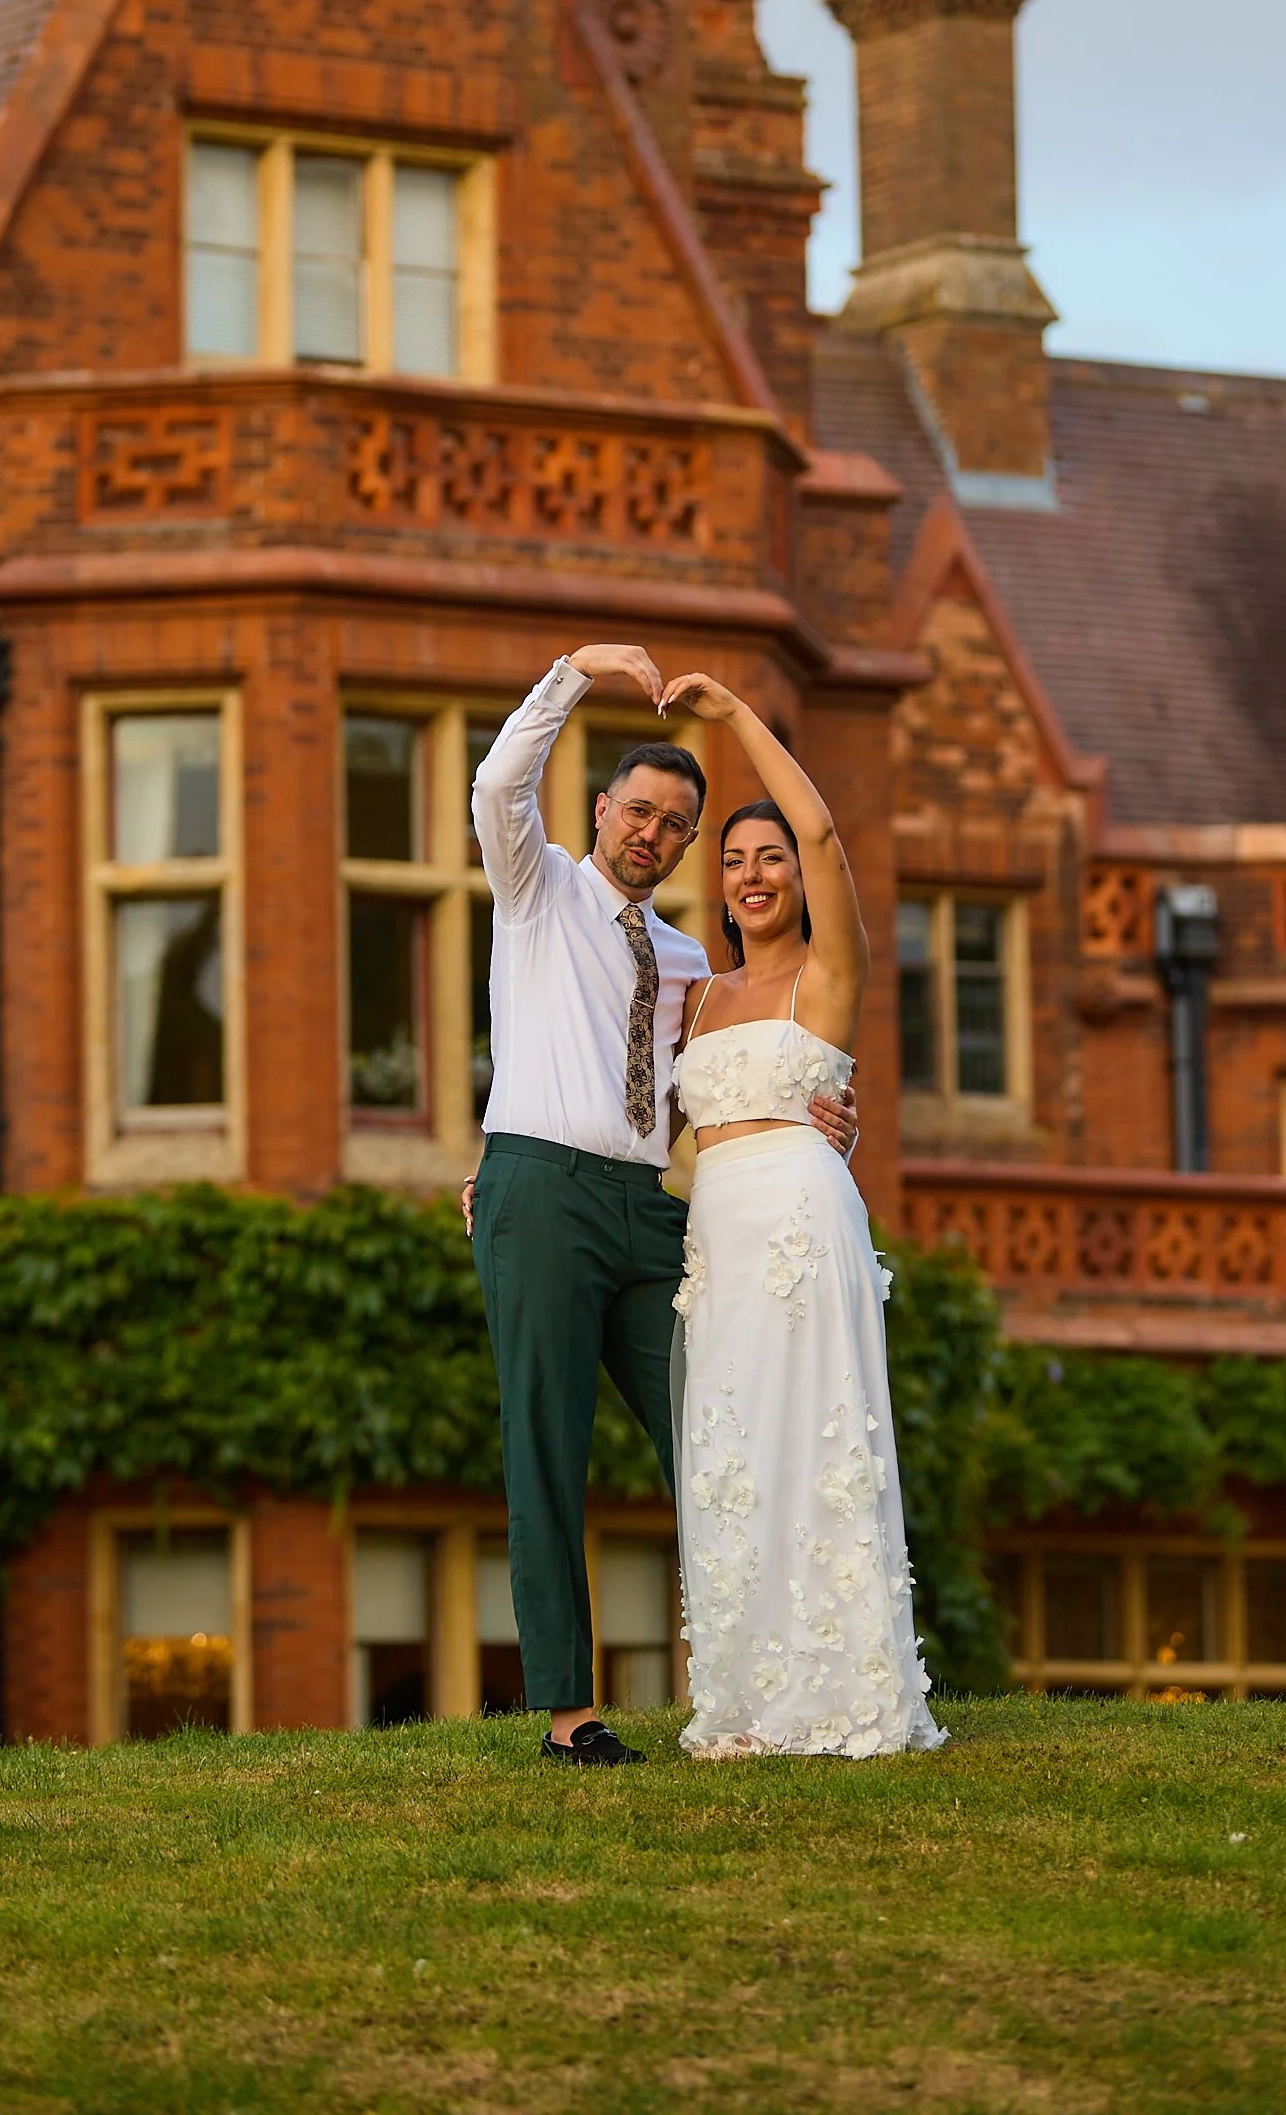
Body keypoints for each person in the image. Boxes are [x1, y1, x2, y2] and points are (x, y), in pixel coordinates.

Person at [466, 646, 858, 1767]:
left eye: (673, 824)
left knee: (715, 1433)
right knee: (545, 1443)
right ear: (599, 812)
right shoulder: (534, 887)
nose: (651, 833)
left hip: (649, 1208)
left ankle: (768, 1676)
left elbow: (731, 1084)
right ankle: (566, 1713)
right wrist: (570, 674)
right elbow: (497, 786)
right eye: (636, 811)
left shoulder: (690, 957)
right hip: (539, 1189)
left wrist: (826, 1119)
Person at [661, 667, 948, 1760]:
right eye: (732, 863)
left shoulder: (829, 976)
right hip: (716, 1238)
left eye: (766, 858)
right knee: (729, 1451)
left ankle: (834, 1690)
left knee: (808, 1442)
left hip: (797, 1219)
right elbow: (668, 1138)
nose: (751, 876)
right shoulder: (700, 996)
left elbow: (827, 834)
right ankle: (745, 1696)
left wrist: (734, 719)